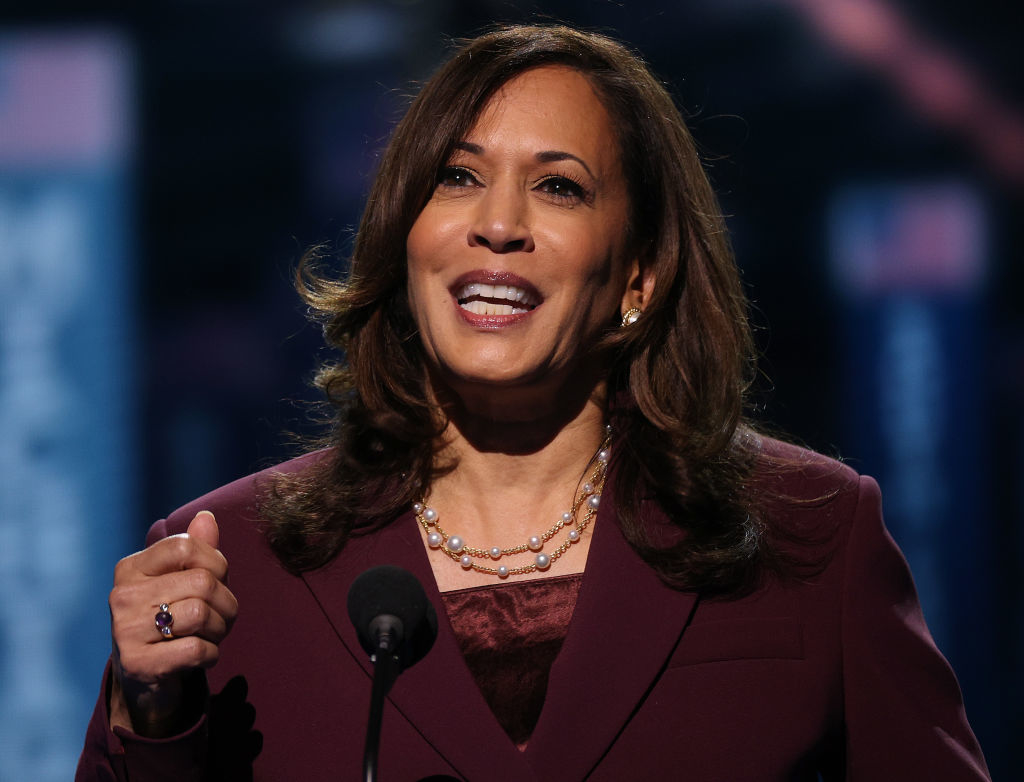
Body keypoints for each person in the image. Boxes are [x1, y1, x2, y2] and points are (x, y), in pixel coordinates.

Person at [76, 24, 989, 781]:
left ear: (638, 275)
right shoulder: (226, 564)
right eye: (457, 177)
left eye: (559, 186)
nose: (498, 224)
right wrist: (154, 712)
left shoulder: (810, 532)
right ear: (404, 240)